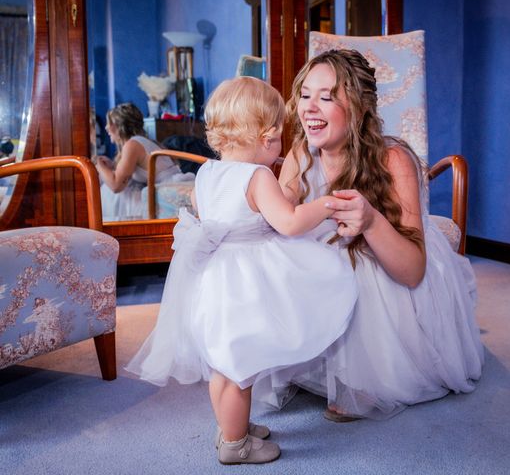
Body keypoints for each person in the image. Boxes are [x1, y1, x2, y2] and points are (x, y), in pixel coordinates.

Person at [125, 77, 357, 465]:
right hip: (245, 285)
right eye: (279, 138)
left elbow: (222, 215)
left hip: (213, 280)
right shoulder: (258, 176)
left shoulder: (206, 173)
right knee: (240, 370)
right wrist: (327, 204)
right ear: (267, 137)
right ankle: (235, 445)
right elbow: (289, 223)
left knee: (225, 364)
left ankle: (232, 428)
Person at [251, 49, 485, 421]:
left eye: (326, 97)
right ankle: (304, 356)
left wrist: (372, 221)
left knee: (353, 264)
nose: (309, 107)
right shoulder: (301, 155)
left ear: (358, 109)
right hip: (321, 264)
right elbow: (281, 221)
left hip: (387, 263)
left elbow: (412, 272)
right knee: (276, 259)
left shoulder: (393, 161)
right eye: (305, 94)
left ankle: (362, 372)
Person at [96, 102, 193, 221]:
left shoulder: (132, 145)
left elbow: (116, 185)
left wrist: (98, 164)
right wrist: (111, 165)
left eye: (109, 123)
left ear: (118, 126)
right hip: (171, 182)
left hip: (164, 188)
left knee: (109, 192)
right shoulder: (144, 141)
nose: (106, 127)